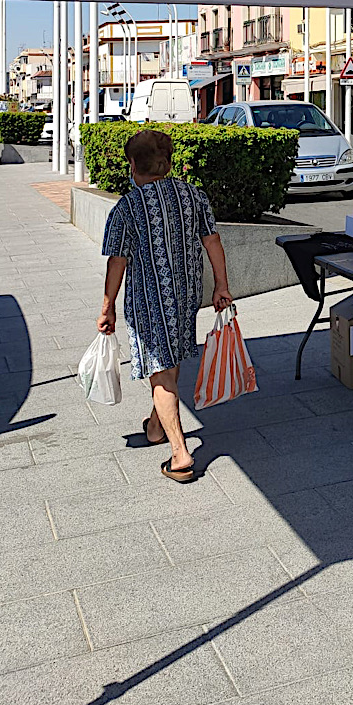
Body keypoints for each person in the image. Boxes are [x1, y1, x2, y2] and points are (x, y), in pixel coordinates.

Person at [97, 129, 233, 482]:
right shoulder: (193, 195)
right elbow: (212, 240)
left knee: (160, 370)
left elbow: (117, 261)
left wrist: (107, 306)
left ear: (132, 164)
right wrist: (221, 285)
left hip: (149, 300)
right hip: (186, 295)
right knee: (169, 362)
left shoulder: (128, 206)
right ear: (167, 162)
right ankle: (157, 427)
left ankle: (180, 453)